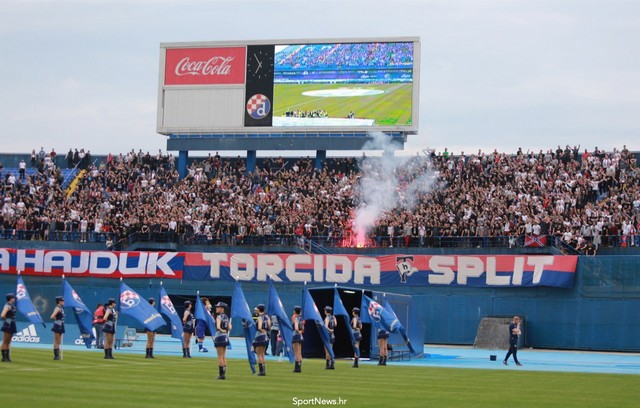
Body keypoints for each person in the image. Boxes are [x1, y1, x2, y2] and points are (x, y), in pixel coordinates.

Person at [213, 302, 231, 379]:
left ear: (222, 308)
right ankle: (224, 372)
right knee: (223, 356)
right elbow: (229, 328)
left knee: (220, 356)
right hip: (225, 337)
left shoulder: (219, 317)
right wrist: (225, 330)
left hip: (219, 336)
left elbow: (218, 327)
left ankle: (221, 374)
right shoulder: (226, 317)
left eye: (218, 307)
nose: (217, 308)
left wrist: (221, 329)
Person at [252, 304, 271, 376]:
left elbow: (259, 327)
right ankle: (263, 370)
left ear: (259, 310)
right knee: (262, 354)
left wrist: (262, 330)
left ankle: (261, 371)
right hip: (265, 336)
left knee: (259, 354)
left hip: (259, 336)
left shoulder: (260, 317)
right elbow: (269, 326)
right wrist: (265, 331)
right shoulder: (267, 317)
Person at [1, 293, 17, 362]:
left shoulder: (12, 306)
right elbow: (2, 315)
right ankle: (4, 357)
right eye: (13, 298)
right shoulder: (7, 306)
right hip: (8, 324)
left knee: (9, 341)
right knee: (5, 340)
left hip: (12, 323)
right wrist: (7, 320)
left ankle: (7, 356)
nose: (14, 299)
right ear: (10, 298)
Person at [51, 296, 65, 360]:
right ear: (59, 301)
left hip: (61, 324)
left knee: (58, 341)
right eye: (62, 301)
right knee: (56, 340)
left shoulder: (61, 308)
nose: (63, 302)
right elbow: (52, 316)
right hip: (58, 325)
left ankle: (57, 354)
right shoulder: (57, 308)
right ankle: (56, 355)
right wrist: (57, 320)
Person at [291, 305, 304, 373]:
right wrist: (300, 332)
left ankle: (297, 368)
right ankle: (299, 366)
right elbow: (303, 328)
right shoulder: (301, 318)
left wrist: (298, 331)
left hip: (295, 336)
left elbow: (296, 328)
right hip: (300, 336)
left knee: (296, 353)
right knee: (299, 352)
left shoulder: (296, 318)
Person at [324, 305, 337, 370]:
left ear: (326, 311)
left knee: (327, 350)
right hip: (332, 335)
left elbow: (326, 327)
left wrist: (330, 330)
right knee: (331, 349)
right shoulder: (332, 317)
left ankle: (328, 364)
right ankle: (332, 363)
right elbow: (335, 324)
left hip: (328, 335)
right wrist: (335, 318)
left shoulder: (327, 318)